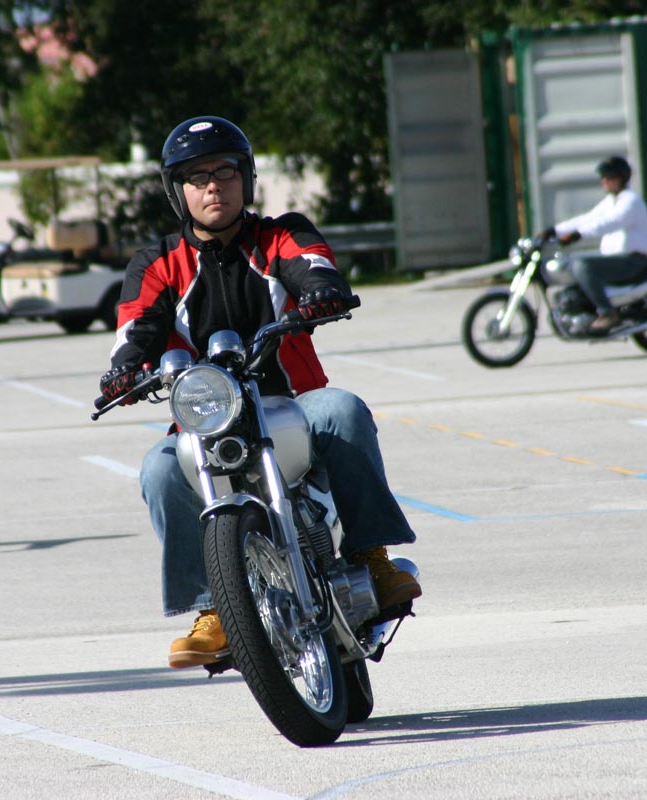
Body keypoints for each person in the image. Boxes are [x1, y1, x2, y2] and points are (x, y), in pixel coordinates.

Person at [99, 116, 421, 670]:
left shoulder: (279, 236)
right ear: (177, 191)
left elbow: (313, 264)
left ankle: (372, 557)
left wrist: (322, 290)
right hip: (208, 421)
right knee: (157, 469)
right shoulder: (157, 263)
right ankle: (213, 608)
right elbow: (135, 328)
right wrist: (124, 370)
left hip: (293, 405)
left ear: (245, 178)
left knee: (342, 409)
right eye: (197, 177)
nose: (213, 187)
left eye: (225, 172)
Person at [543, 155, 647, 333]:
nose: (604, 181)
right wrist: (554, 230)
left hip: (631, 260)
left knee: (583, 266)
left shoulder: (630, 201)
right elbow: (588, 218)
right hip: (615, 258)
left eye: (608, 177)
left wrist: (579, 235)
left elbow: (610, 222)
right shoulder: (611, 201)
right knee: (570, 262)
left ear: (620, 178)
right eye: (603, 177)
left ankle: (607, 313)